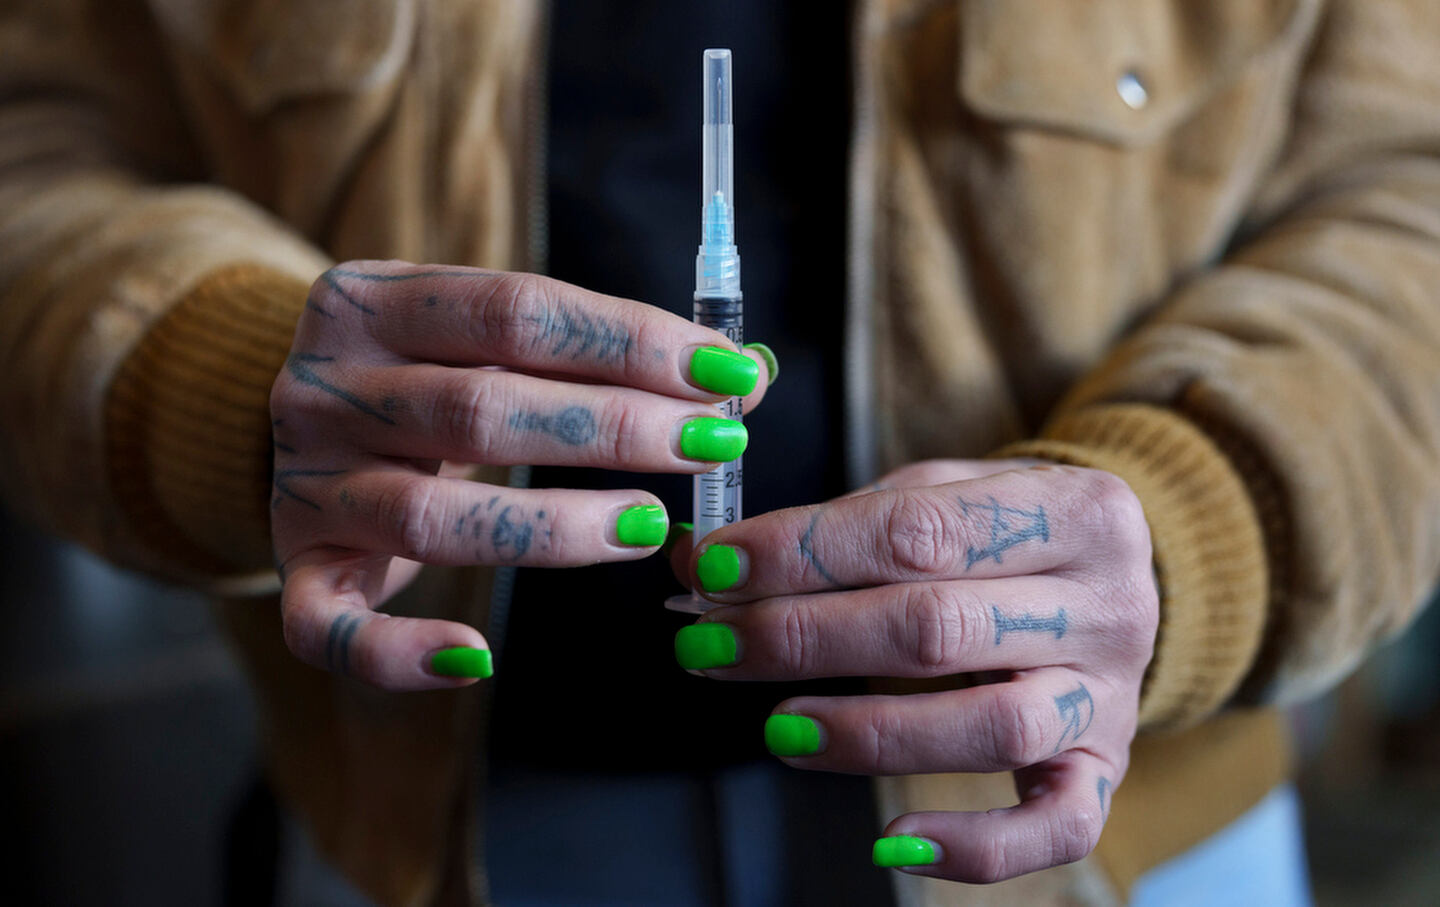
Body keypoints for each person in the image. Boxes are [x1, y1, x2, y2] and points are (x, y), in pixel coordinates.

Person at [3, 1, 1439, 904]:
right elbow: (35, 144)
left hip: (1090, 830)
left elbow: (1406, 191)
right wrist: (227, 382)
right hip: (433, 815)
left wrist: (1202, 520)